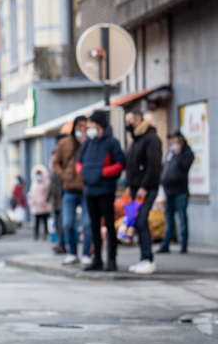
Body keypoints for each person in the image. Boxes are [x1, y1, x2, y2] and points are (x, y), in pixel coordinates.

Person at [77, 111, 125, 272]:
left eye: (91, 125)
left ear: (100, 126)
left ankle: (111, 260)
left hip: (105, 190)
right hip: (90, 190)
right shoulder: (86, 144)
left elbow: (119, 165)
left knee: (109, 226)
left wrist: (100, 173)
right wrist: (84, 173)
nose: (89, 129)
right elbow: (79, 163)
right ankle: (97, 259)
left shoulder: (112, 143)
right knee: (94, 226)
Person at [123, 109, 162, 274]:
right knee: (137, 222)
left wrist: (144, 187)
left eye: (130, 120)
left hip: (145, 189)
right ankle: (143, 258)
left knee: (141, 221)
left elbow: (153, 167)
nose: (128, 124)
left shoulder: (151, 139)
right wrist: (130, 185)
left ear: (138, 120)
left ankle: (148, 259)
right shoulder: (137, 140)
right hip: (135, 188)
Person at [52, 116, 92, 266]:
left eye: (85, 127)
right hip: (69, 189)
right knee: (67, 223)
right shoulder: (65, 143)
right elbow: (55, 163)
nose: (82, 130)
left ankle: (87, 253)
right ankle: (72, 253)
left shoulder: (90, 142)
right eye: (79, 127)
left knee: (87, 223)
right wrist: (63, 175)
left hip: (86, 188)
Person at [158, 130, 194, 254]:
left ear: (180, 139)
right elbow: (165, 169)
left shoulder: (186, 153)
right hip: (168, 191)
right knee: (169, 219)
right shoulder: (170, 153)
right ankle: (165, 244)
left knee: (182, 219)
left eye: (174, 139)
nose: (172, 141)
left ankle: (183, 246)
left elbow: (185, 167)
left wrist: (178, 154)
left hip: (180, 191)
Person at [47, 147, 66, 254]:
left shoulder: (61, 173)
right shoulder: (54, 174)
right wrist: (47, 199)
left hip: (62, 201)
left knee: (62, 224)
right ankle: (60, 244)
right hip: (55, 203)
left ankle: (62, 244)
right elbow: (51, 189)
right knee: (58, 225)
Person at [27, 165, 51, 240]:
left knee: (45, 221)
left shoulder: (46, 183)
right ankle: (36, 234)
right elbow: (30, 194)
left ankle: (46, 234)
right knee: (37, 222)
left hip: (44, 206)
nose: (38, 176)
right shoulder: (34, 184)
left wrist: (46, 201)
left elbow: (49, 193)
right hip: (36, 206)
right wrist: (31, 201)